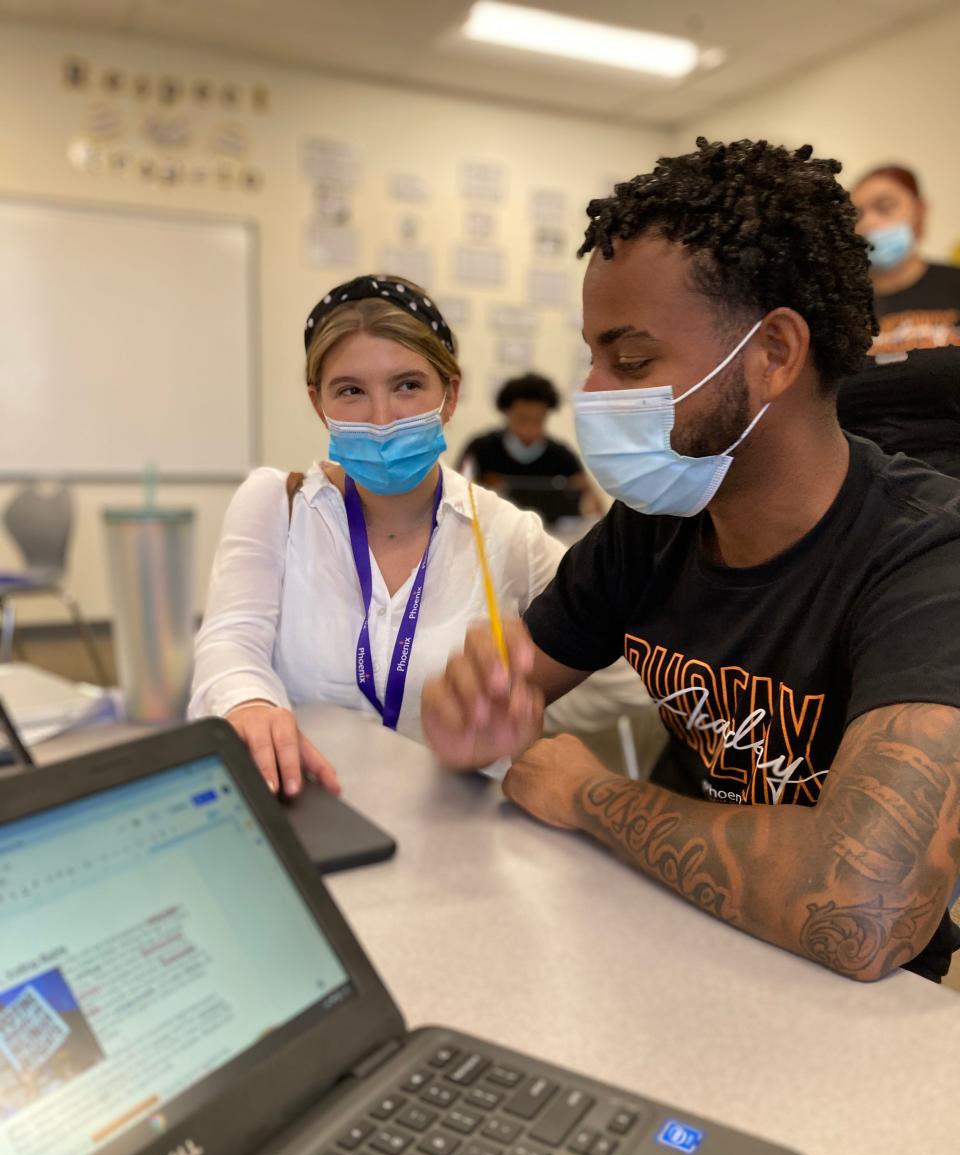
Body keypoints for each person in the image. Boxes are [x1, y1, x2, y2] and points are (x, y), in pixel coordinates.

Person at [422, 139, 960, 984]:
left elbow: (863, 907)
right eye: (594, 356)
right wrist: (475, 708)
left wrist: (591, 795)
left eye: (631, 360)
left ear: (775, 353)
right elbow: (510, 686)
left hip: (842, 1006)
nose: (593, 394)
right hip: (656, 932)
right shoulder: (656, 524)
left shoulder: (929, 559)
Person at [189, 274, 647, 797]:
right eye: (352, 391)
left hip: (457, 834)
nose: (382, 419)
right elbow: (231, 640)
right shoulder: (278, 505)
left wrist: (524, 698)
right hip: (308, 812)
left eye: (407, 385)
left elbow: (628, 674)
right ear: (319, 404)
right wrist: (249, 701)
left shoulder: (505, 534)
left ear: (449, 395)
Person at [838, 165, 960, 479]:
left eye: (885, 207)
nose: (870, 223)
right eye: (858, 215)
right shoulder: (836, 310)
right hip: (866, 486)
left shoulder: (954, 286)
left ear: (919, 211)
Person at [457, 372, 602, 521]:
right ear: (507, 412)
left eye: (538, 420)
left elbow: (593, 503)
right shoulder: (481, 449)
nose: (530, 429)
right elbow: (456, 492)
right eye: (523, 419)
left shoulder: (561, 455)